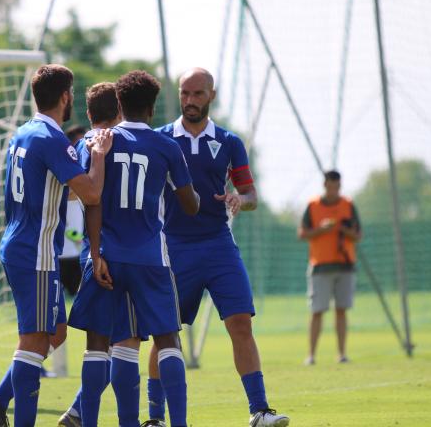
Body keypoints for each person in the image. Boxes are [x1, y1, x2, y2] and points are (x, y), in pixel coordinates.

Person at [144, 67, 290, 427]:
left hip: (219, 246)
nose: (190, 101)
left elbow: (252, 193)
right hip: (174, 247)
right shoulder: (161, 139)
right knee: (165, 333)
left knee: (241, 323)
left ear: (212, 94)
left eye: (197, 94)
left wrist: (241, 198)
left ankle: (259, 412)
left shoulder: (229, 142)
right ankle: (155, 419)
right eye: (184, 94)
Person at [0, 64, 112, 427]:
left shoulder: (23, 133)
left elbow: (46, 188)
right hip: (34, 253)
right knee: (34, 341)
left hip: (25, 245)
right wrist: (98, 154)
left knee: (56, 332)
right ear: (65, 97)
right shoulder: (52, 139)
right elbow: (92, 193)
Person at [67, 70, 200, 427]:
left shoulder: (97, 141)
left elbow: (90, 201)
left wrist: (95, 254)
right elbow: (191, 205)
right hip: (150, 259)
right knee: (167, 339)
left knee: (99, 345)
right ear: (153, 107)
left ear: (119, 104)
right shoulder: (166, 146)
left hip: (106, 257)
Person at [57, 82, 126, 427]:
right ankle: (82, 413)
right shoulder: (130, 143)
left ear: (88, 113)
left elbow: (73, 195)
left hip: (86, 254)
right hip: (121, 255)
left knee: (99, 343)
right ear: (120, 111)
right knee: (119, 345)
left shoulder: (80, 148)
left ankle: (78, 412)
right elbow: (92, 197)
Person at [298, 170, 361, 365]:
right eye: (330, 186)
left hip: (344, 266)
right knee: (317, 311)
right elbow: (302, 234)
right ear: (324, 184)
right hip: (320, 266)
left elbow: (358, 235)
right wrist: (322, 229)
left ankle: (341, 354)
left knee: (341, 310)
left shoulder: (348, 205)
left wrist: (343, 229)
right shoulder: (313, 205)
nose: (334, 190)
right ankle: (311, 355)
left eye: (337, 186)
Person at [61, 125, 88, 296]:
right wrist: (80, 239)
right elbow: (62, 224)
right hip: (65, 255)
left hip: (81, 254)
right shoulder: (64, 182)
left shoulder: (87, 178)